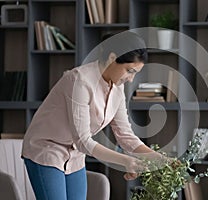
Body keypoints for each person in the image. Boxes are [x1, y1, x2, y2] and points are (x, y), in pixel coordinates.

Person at [21, 31, 157, 200]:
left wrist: (160, 159)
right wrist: (126, 161)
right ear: (112, 58)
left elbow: (125, 135)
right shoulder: (79, 80)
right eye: (129, 71)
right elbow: (83, 140)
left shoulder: (117, 88)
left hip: (75, 154)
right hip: (46, 149)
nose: (131, 79)